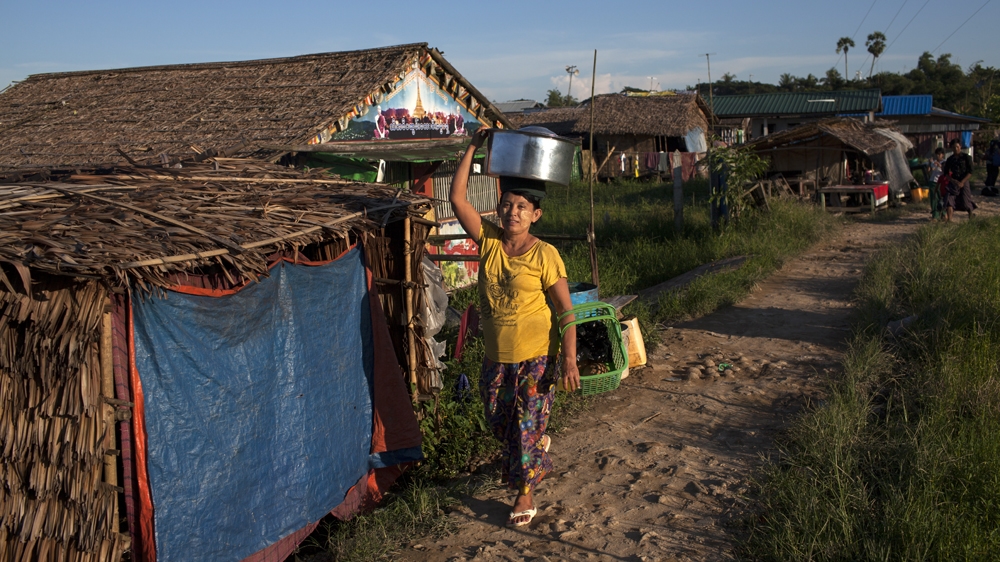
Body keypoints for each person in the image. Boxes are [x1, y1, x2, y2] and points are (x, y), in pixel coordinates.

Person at [449, 128, 580, 528]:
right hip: (497, 358)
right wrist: (473, 146)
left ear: (535, 214)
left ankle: (524, 495)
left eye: (522, 207)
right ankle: (539, 446)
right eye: (507, 205)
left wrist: (570, 359)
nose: (513, 213)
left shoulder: (545, 255)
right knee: (499, 423)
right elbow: (456, 199)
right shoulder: (488, 242)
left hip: (538, 358)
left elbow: (566, 311)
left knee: (523, 429)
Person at [942, 139, 977, 222]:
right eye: (954, 147)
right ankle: (949, 220)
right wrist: (952, 180)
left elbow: (970, 171)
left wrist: (962, 182)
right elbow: (946, 173)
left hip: (964, 181)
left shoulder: (966, 158)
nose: (956, 149)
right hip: (954, 182)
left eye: (957, 147)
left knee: (965, 201)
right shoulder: (950, 159)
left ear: (960, 146)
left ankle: (970, 214)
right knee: (949, 200)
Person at [928, 147, 946, 220]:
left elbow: (945, 171)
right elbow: (928, 170)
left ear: (942, 155)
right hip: (933, 182)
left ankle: (943, 214)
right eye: (937, 154)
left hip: (941, 183)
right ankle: (935, 215)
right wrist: (930, 163)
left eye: (939, 154)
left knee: (942, 199)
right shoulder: (934, 162)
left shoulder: (945, 162)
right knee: (934, 199)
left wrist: (939, 165)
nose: (938, 156)